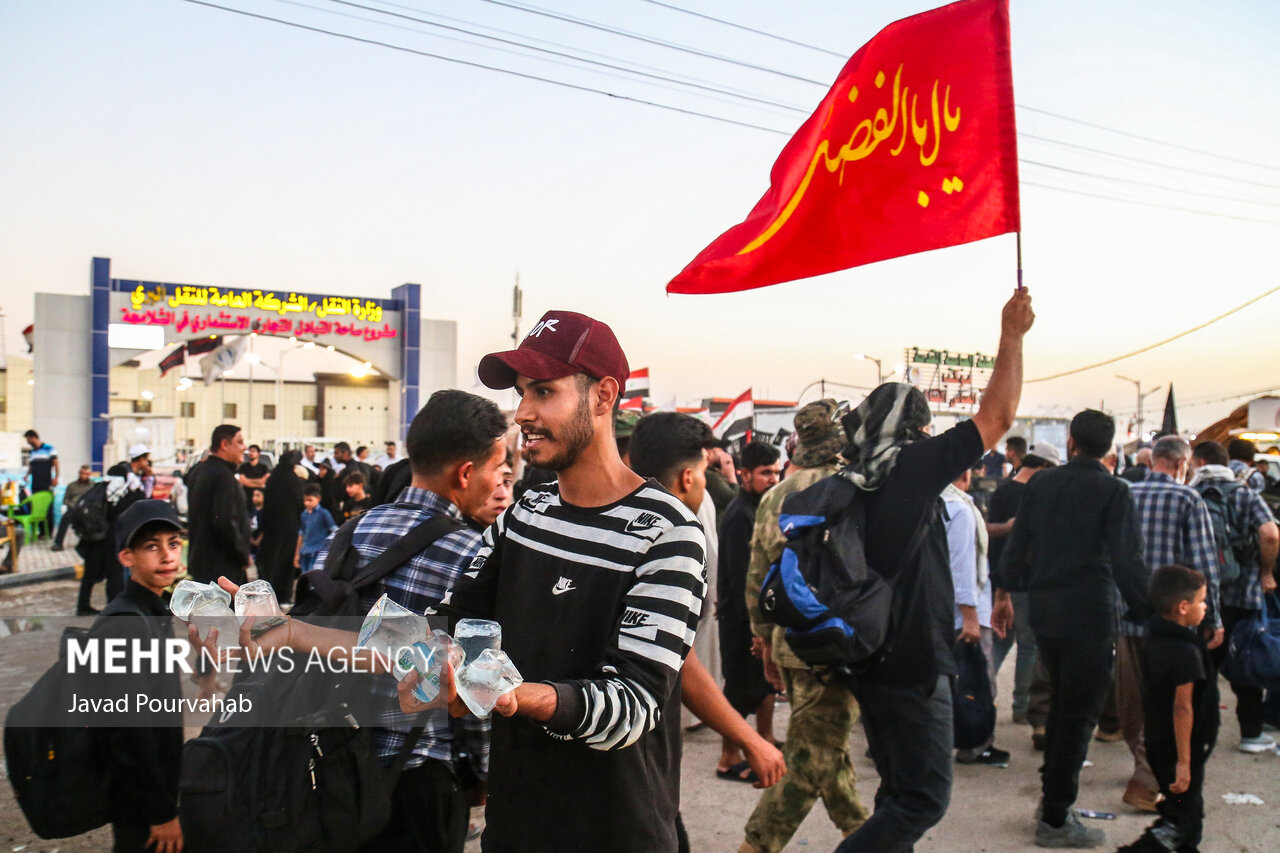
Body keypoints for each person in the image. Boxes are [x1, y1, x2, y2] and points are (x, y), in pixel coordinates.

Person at [429, 310, 707, 853]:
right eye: (520, 393)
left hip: (616, 832)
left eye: (542, 392)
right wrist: (295, 635)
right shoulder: (526, 515)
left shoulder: (667, 532)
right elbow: (447, 625)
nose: (523, 413)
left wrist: (517, 697)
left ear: (603, 396)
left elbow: (632, 705)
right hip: (515, 826)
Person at [830, 289, 1033, 853]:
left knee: (898, 792)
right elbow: (997, 418)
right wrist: (1011, 336)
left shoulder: (854, 474)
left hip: (868, 655)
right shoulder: (911, 469)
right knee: (925, 798)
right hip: (913, 661)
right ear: (916, 428)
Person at [628, 411, 786, 851]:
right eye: (701, 472)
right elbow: (682, 662)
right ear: (686, 478)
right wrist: (747, 738)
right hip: (634, 747)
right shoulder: (669, 542)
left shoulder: (599, 518)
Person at [996, 409, 1152, 849]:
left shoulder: (1043, 483)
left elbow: (1019, 542)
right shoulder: (1113, 491)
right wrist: (1147, 615)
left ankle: (1053, 803)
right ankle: (1055, 816)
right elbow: (1127, 560)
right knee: (1076, 716)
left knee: (1064, 707)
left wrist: (1006, 590)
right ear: (1110, 447)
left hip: (1046, 612)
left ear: (1071, 442)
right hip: (1089, 616)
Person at [741, 399, 869, 853]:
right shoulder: (856, 488)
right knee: (812, 754)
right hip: (842, 643)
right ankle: (758, 845)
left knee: (823, 742)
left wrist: (764, 641)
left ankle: (863, 833)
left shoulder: (779, 493)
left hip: (792, 642)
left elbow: (757, 573)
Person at [1117, 435, 1220, 813]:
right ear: (1181, 464)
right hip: (1174, 623)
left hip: (1128, 616)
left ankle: (1144, 768)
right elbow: (1204, 567)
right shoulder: (1188, 499)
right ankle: (1147, 780)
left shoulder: (1126, 495)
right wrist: (1214, 616)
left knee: (1132, 701)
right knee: (1169, 705)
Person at [89, 499, 188, 853]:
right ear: (126, 557)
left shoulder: (151, 609)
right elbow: (128, 729)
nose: (166, 556)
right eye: (150, 546)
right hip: (140, 804)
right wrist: (160, 812)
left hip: (152, 789)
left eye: (173, 543)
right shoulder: (125, 623)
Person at [1117, 566, 1219, 853]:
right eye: (1202, 601)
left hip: (1160, 744)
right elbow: (1182, 708)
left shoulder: (1157, 640)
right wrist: (1184, 762)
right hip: (1179, 749)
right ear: (1183, 607)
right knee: (1179, 823)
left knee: (1189, 820)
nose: (1205, 607)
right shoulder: (1185, 652)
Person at [1189, 440, 1280, 753]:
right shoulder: (1246, 494)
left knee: (1204, 668)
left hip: (1201, 597)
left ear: (1198, 461)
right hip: (1245, 594)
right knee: (1247, 663)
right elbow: (1270, 533)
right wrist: (1266, 573)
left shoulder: (1192, 494)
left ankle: (1200, 736)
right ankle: (1251, 734)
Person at [717, 440, 782, 781]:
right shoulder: (739, 515)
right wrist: (756, 631)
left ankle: (766, 739)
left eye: (776, 471)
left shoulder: (763, 508)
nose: (773, 479)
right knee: (740, 688)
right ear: (744, 475)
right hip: (740, 618)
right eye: (765, 473)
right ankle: (728, 757)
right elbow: (744, 579)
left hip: (757, 616)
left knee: (765, 684)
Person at [988, 444, 1058, 732]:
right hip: (1026, 581)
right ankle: (1021, 706)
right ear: (1043, 467)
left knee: (999, 640)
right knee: (1028, 645)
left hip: (1000, 579)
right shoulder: (1038, 494)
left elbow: (989, 530)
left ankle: (980, 696)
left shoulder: (1003, 490)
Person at [945, 468, 1011, 768]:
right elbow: (963, 565)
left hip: (942, 609)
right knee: (980, 681)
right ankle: (976, 744)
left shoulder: (935, 503)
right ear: (966, 476)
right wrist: (970, 615)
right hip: (966, 611)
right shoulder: (960, 509)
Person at [76, 445, 150, 612]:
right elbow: (120, 506)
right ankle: (112, 607)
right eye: (146, 459)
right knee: (113, 570)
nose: (147, 463)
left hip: (102, 530)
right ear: (140, 459)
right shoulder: (125, 477)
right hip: (109, 532)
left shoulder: (122, 474)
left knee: (96, 570)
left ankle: (85, 605)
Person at [186, 424, 251, 585]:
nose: (245, 447)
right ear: (224, 444)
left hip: (202, 563)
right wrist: (242, 555)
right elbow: (224, 522)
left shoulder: (199, 471)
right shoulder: (223, 476)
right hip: (222, 569)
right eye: (240, 442)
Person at [257, 450, 305, 605]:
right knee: (286, 561)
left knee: (271, 560)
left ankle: (269, 592)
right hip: (289, 526)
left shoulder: (273, 478)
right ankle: (283, 595)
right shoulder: (294, 480)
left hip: (271, 526)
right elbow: (299, 504)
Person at [295, 484, 337, 574]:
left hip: (318, 551)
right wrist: (297, 554)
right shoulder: (304, 515)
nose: (307, 503)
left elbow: (334, 530)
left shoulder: (323, 513)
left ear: (318, 498)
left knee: (314, 577)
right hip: (305, 551)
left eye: (310, 500)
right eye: (305, 500)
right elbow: (301, 534)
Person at [51, 464, 94, 551]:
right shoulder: (72, 486)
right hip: (73, 509)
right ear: (79, 473)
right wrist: (68, 506)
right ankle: (58, 543)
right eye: (82, 473)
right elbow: (66, 499)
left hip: (87, 510)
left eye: (86, 474)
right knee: (65, 519)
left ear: (89, 475)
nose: (84, 476)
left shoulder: (93, 486)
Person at [23, 429, 59, 496]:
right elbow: (31, 466)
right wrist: (27, 475)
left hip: (46, 482)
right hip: (35, 483)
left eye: (28, 440)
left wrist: (56, 478)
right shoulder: (32, 452)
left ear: (33, 437)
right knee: (36, 501)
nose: (28, 442)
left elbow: (56, 464)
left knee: (46, 501)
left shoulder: (49, 448)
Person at [248, 487, 265, 561]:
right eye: (253, 495)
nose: (254, 498)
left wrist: (258, 540)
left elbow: (265, 527)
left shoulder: (264, 511)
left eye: (258, 495)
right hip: (252, 544)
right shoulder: (253, 510)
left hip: (261, 545)